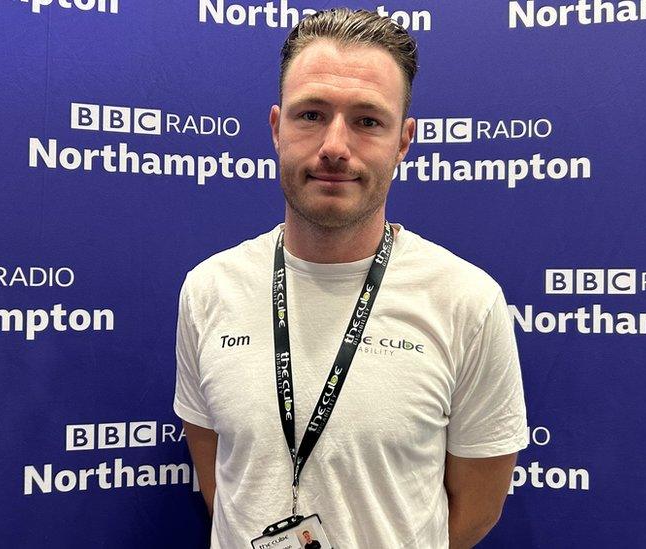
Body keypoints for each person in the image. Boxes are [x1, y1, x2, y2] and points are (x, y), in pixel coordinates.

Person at [174, 8, 527, 548]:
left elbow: (477, 510)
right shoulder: (208, 290)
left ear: (403, 141)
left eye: (367, 121)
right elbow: (219, 476)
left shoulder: (467, 302)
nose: (335, 146)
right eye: (311, 114)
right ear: (276, 128)